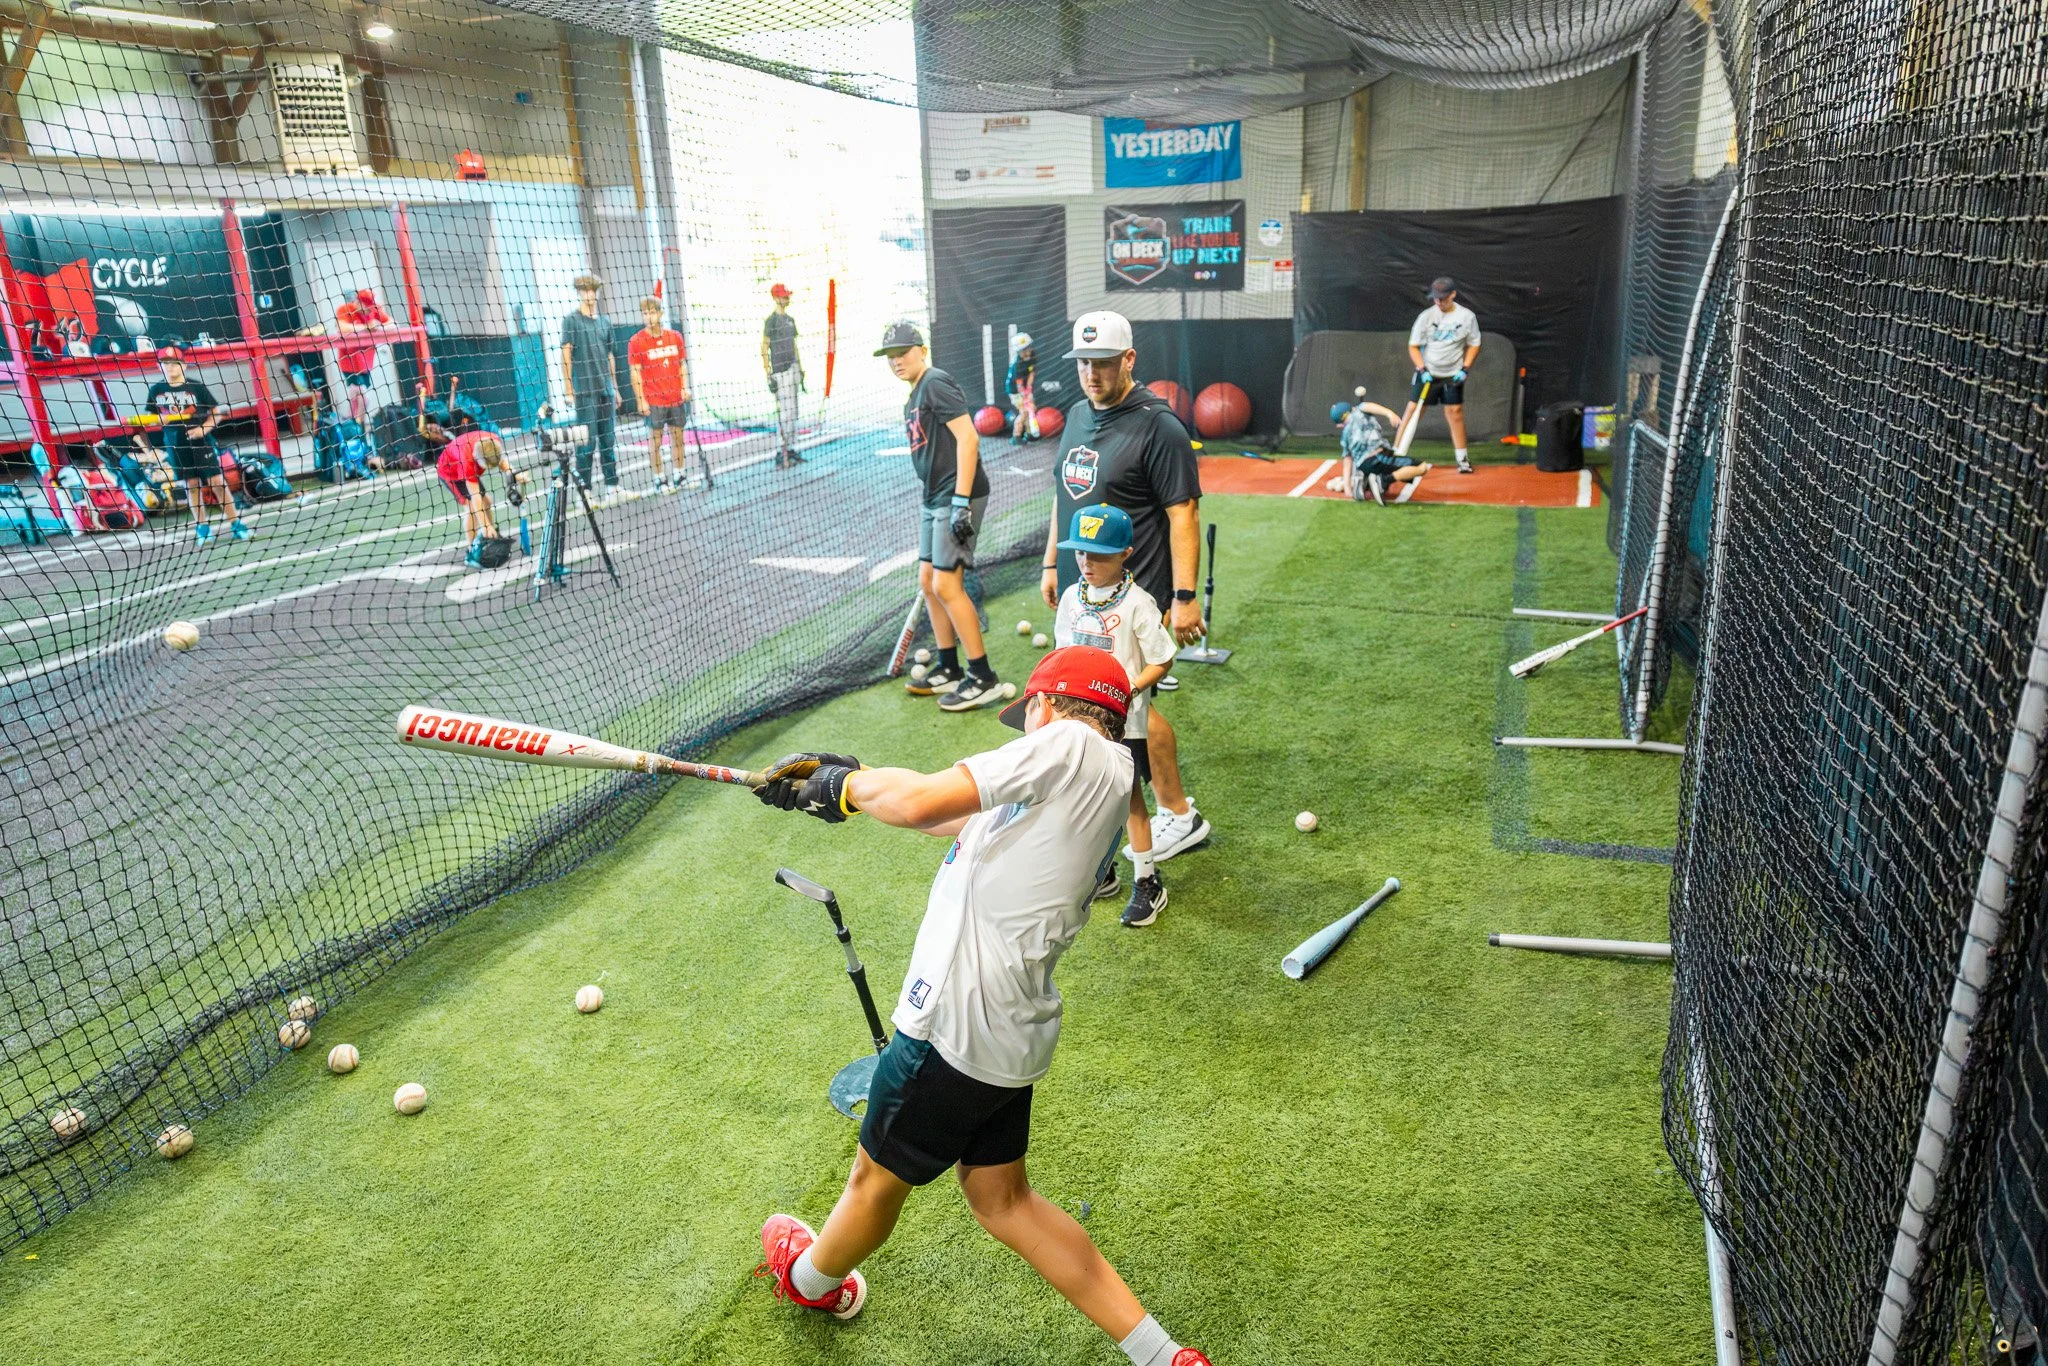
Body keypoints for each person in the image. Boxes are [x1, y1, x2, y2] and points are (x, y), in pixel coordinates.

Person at [748, 646, 1213, 1366]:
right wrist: (852, 776)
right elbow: (943, 814)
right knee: (1004, 1201)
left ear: (1047, 707)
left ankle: (810, 1280)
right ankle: (1164, 1356)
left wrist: (847, 790)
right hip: (1009, 1032)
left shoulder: (1063, 746)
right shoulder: (1107, 778)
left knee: (874, 1181)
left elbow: (920, 804)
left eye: (1027, 717)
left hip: (949, 1027)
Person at [1042, 310, 1211, 885]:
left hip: (1139, 590)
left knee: (1130, 709)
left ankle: (1177, 815)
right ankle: (1151, 818)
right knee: (1111, 707)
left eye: (1104, 363)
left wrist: (1184, 597)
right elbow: (1065, 496)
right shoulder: (1075, 416)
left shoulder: (1158, 426)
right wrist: (1051, 563)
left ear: (1129, 361)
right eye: (1084, 363)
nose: (1092, 373)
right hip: (1085, 584)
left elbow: (1182, 511)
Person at [1053, 504, 1179, 927]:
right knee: (1084, 792)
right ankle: (1103, 874)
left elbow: (1163, 659)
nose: (1087, 563)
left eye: (1099, 554)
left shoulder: (1138, 604)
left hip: (1122, 721)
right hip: (1079, 717)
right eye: (1081, 553)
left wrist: (1130, 689)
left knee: (1129, 801)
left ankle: (1147, 881)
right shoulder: (1072, 597)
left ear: (1125, 553)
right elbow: (1063, 653)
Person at [875, 320, 1002, 711]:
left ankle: (982, 677)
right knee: (928, 581)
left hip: (956, 495)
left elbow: (968, 436)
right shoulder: (912, 395)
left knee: (948, 585)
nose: (897, 361)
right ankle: (948, 665)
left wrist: (961, 501)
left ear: (922, 350)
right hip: (934, 497)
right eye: (891, 357)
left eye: (903, 353)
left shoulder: (934, 382)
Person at [135, 347, 249, 545]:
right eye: (166, 363)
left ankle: (236, 524)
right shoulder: (156, 390)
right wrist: (156, 423)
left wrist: (203, 429)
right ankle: (202, 528)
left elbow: (216, 412)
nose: (171, 367)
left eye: (175, 363)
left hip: (201, 443)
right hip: (176, 446)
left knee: (217, 483)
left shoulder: (196, 387)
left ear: (184, 365)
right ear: (159, 366)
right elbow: (151, 419)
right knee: (192, 486)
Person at [1398, 276, 1482, 475]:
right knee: (1413, 411)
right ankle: (1396, 455)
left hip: (1453, 374)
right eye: (1436, 298)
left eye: (1443, 298)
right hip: (1428, 372)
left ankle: (1462, 459)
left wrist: (1465, 369)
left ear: (1453, 295)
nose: (1439, 302)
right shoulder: (1426, 317)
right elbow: (1413, 347)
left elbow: (1474, 343)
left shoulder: (1466, 317)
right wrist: (1422, 369)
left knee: (1455, 413)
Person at [627, 296, 699, 493]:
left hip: (676, 398)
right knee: (656, 441)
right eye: (645, 313)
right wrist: (640, 400)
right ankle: (659, 479)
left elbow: (682, 364)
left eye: (652, 312)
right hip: (654, 401)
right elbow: (635, 372)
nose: (648, 317)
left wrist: (684, 388)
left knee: (678, 438)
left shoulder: (675, 337)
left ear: (660, 313)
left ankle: (679, 475)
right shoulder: (636, 341)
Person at [560, 275, 620, 501]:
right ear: (579, 292)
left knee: (608, 441)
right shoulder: (571, 321)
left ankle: (612, 487)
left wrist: (615, 388)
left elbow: (610, 355)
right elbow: (566, 353)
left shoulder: (605, 321)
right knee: (586, 443)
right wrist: (568, 389)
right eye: (586, 290)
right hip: (585, 392)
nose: (590, 294)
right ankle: (583, 492)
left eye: (594, 290)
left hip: (606, 391)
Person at [1328, 387, 1431, 505]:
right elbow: (1369, 406)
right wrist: (1390, 414)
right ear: (1352, 408)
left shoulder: (1345, 434)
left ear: (1340, 425)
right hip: (1377, 456)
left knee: (1386, 468)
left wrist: (1347, 488)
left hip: (1362, 464)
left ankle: (1366, 481)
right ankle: (1383, 480)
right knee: (1422, 467)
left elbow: (1347, 461)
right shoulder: (1360, 409)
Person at [436, 427, 510, 568]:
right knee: (471, 508)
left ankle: (490, 537)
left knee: (487, 501)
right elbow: (475, 496)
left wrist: (512, 472)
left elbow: (499, 459)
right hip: (450, 471)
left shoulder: (493, 440)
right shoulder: (467, 459)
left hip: (465, 464)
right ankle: (471, 551)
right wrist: (485, 525)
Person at [761, 282, 803, 468]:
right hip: (780, 370)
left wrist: (800, 368)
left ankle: (791, 447)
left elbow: (794, 345)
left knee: (794, 411)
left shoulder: (790, 319)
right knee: (785, 413)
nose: (787, 299)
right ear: (776, 298)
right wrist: (768, 373)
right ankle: (782, 449)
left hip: (792, 368)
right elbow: (764, 346)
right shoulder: (771, 321)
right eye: (784, 296)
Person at [334, 287, 389, 427]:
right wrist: (366, 327)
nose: (369, 311)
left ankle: (349, 425)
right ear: (358, 302)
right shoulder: (345, 309)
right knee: (364, 397)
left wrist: (377, 326)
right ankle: (358, 427)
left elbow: (391, 323)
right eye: (366, 307)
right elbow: (342, 327)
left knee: (355, 398)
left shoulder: (374, 309)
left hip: (366, 363)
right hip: (349, 363)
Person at [1007, 332, 1038, 441]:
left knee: (1031, 409)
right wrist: (1024, 395)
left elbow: (1031, 373)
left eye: (1028, 347)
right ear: (1019, 351)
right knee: (1024, 412)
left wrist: (1029, 388)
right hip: (1015, 391)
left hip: (1025, 388)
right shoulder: (1018, 364)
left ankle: (1029, 434)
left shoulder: (1032, 355)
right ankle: (1016, 436)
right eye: (1024, 349)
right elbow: (1018, 383)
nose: (1027, 351)